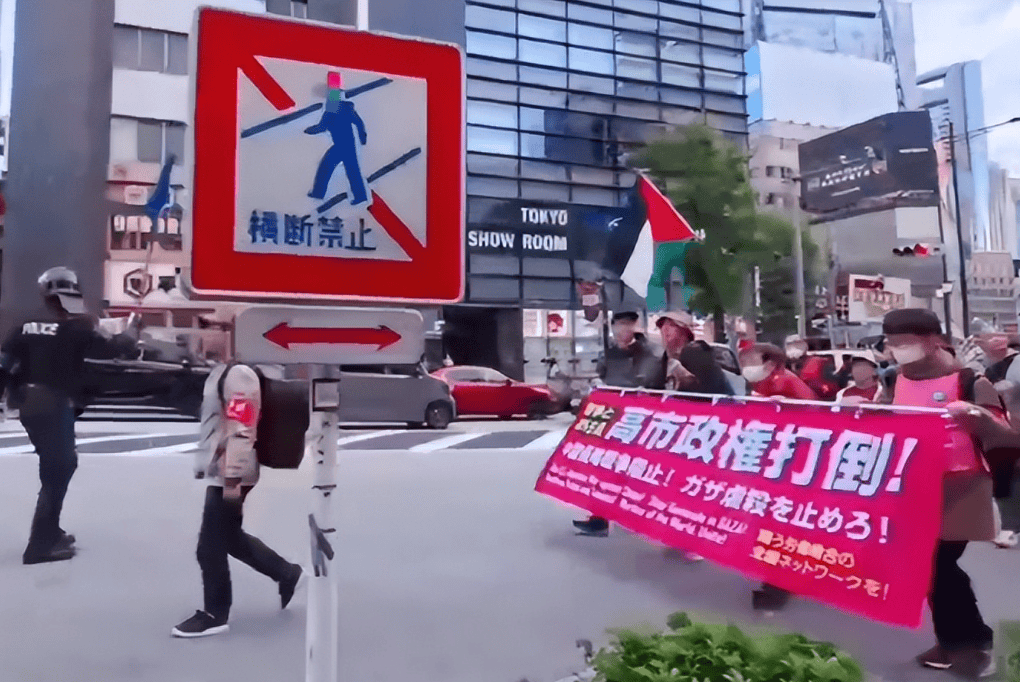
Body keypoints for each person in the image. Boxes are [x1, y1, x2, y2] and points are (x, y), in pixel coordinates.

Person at [879, 308, 1014, 678]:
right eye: (891, 343)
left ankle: (965, 648)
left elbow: (1007, 435)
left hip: (960, 485)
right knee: (933, 567)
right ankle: (968, 637)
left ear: (933, 340)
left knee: (936, 566)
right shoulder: (896, 380)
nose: (896, 350)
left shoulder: (970, 380)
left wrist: (979, 419)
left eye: (904, 342)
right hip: (913, 485)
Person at [0, 267, 140, 564]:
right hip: (54, 404)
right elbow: (117, 349)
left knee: (58, 465)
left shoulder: (24, 327)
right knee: (58, 471)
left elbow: (3, 365)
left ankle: (51, 530)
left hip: (28, 405)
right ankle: (40, 545)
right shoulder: (78, 329)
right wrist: (133, 329)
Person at [172, 362, 305, 638]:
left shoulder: (239, 375)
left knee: (209, 548)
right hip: (224, 470)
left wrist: (231, 479)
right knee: (230, 537)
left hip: (233, 472)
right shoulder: (221, 370)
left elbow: (242, 429)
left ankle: (215, 614)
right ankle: (286, 573)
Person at [738, 343, 818, 610]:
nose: (746, 367)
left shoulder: (784, 383)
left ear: (770, 363)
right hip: (775, 461)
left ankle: (778, 586)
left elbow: (813, 417)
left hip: (789, 463)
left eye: (751, 361)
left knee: (779, 524)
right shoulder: (767, 383)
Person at [574, 311, 659, 537]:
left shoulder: (648, 352)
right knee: (604, 469)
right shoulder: (609, 353)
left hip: (639, 419)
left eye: (629, 324)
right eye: (620, 324)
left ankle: (650, 519)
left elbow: (650, 381)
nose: (624, 329)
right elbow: (600, 376)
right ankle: (599, 518)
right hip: (611, 416)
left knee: (640, 472)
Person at [739, 343, 818, 401]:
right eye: (743, 362)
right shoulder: (755, 380)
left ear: (770, 365)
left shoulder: (781, 380)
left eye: (751, 362)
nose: (745, 367)